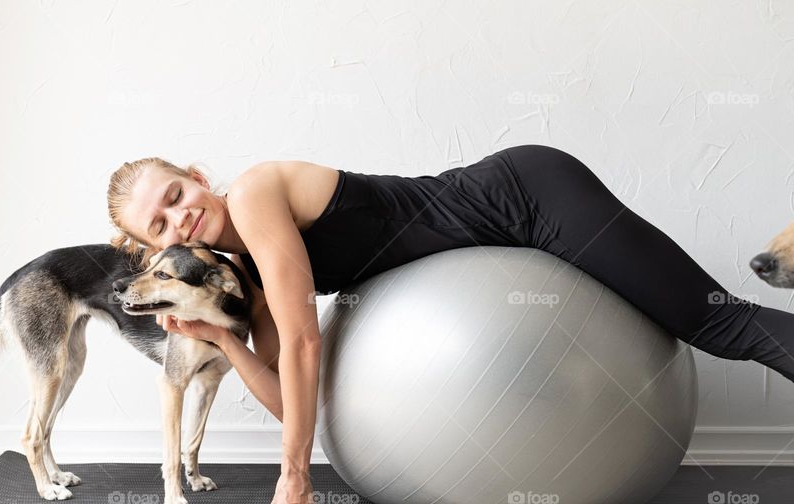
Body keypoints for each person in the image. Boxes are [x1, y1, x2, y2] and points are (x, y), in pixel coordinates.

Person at [107, 144, 794, 504]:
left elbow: (306, 343)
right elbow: (292, 399)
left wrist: (296, 478)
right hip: (506, 234)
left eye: (176, 193)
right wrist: (223, 338)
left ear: (198, 175)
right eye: (159, 224)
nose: (180, 217)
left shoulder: (257, 193)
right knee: (722, 329)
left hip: (527, 194)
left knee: (719, 326)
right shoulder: (252, 278)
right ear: (149, 247)